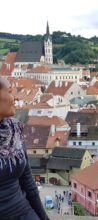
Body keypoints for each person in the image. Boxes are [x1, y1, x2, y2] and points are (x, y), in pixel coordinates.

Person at [0, 78, 49, 220]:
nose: (15, 97)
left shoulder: (14, 129)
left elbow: (27, 180)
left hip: (23, 212)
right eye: (9, 92)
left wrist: (43, 217)